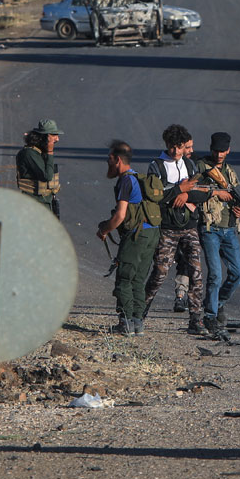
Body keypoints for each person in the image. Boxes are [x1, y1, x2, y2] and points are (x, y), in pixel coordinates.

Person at [145, 125, 211, 333]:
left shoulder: (190, 165)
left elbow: (206, 192)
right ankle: (139, 311)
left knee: (196, 273)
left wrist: (186, 195)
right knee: (160, 272)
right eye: (172, 147)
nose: (175, 151)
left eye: (180, 147)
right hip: (167, 228)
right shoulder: (157, 166)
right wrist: (178, 190)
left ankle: (195, 319)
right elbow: (153, 196)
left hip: (189, 227)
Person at [98, 140, 162, 335]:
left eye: (109, 159)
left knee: (125, 278)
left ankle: (125, 324)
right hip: (152, 234)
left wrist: (104, 230)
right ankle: (137, 324)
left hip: (137, 235)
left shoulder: (126, 180)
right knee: (138, 279)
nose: (107, 163)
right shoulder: (138, 178)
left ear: (117, 160)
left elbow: (120, 216)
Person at [198, 132, 240, 336]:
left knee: (238, 274)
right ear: (211, 149)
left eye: (223, 151)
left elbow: (235, 197)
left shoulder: (230, 172)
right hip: (210, 227)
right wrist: (216, 192)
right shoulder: (201, 167)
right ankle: (210, 315)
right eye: (216, 151)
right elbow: (192, 189)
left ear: (228, 151)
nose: (219, 154)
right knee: (215, 275)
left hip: (229, 228)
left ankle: (217, 303)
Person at [15, 119, 62, 216]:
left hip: (44, 202)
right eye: (53, 135)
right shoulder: (29, 153)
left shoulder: (39, 152)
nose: (57, 139)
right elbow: (47, 176)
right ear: (44, 137)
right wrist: (50, 152)